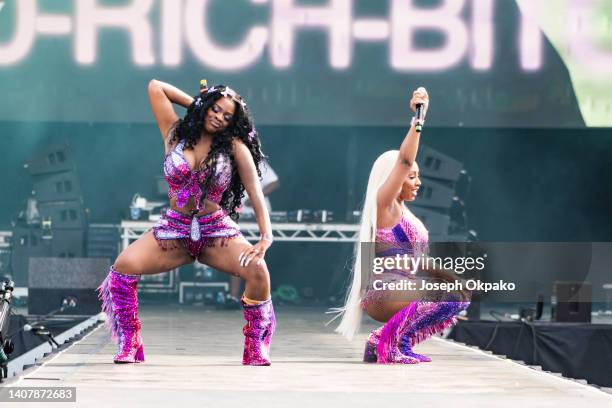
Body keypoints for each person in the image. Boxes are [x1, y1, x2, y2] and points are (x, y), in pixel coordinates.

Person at [97, 79, 276, 366]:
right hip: (175, 229)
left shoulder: (234, 146)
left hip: (215, 231)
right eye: (215, 109)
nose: (219, 117)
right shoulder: (174, 132)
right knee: (123, 267)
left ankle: (256, 345)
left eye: (227, 116)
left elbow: (255, 191)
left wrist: (266, 236)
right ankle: (130, 341)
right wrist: (198, 104)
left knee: (259, 271)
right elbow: (156, 87)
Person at [333, 87, 470, 364]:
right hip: (385, 292)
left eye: (418, 177)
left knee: (458, 295)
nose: (418, 182)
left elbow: (417, 261)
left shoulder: (406, 214)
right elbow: (405, 159)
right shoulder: (385, 205)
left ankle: (392, 341)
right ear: (394, 178)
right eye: (412, 177)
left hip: (403, 289)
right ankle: (386, 341)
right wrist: (419, 118)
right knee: (450, 295)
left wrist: (452, 277)